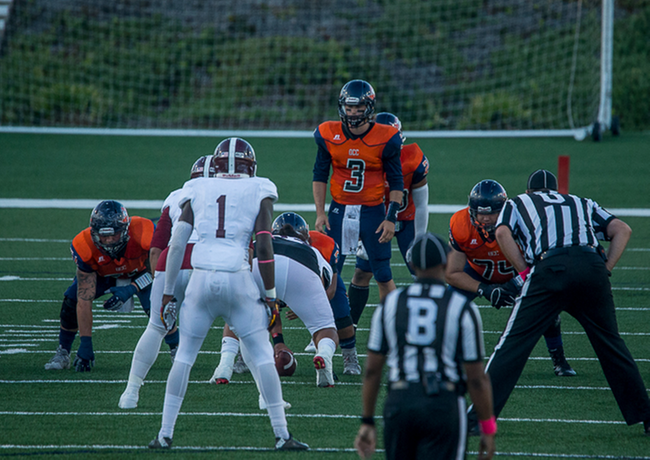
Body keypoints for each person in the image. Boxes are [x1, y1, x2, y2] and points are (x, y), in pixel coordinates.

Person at [148, 137, 308, 450]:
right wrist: (271, 295)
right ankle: (282, 435)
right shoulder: (260, 187)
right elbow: (264, 244)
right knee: (261, 354)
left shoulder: (196, 187)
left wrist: (168, 291)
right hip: (237, 277)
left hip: (201, 279)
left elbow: (178, 242)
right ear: (252, 165)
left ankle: (165, 434)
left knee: (185, 356)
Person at [470, 169, 650, 436]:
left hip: (550, 268)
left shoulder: (518, 202)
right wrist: (606, 268)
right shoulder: (580, 202)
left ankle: (477, 420)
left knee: (512, 344)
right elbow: (622, 229)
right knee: (612, 344)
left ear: (530, 191)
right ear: (557, 191)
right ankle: (646, 416)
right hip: (591, 268)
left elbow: (503, 234)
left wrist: (524, 272)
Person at [355, 233, 496, 460]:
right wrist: (488, 427)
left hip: (400, 402)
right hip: (443, 403)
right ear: (445, 262)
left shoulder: (391, 303)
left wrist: (367, 420)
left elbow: (372, 369)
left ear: (412, 264)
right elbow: (477, 378)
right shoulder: (461, 307)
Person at [446, 179, 575, 377]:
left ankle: (559, 359)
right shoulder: (460, 223)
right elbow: (452, 273)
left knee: (548, 309)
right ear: (472, 211)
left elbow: (538, 265)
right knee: (445, 305)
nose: (486, 219)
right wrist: (485, 289)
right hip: (478, 272)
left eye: (492, 213)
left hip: (519, 273)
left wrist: (516, 284)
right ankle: (442, 359)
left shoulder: (523, 221)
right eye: (481, 213)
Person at [118, 155, 214, 409]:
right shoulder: (227, 193)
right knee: (247, 325)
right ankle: (265, 396)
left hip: (169, 261)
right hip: (208, 263)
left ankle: (131, 392)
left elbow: (156, 248)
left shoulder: (176, 196)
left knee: (156, 328)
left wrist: (162, 282)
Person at [211, 211, 339, 389]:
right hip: (300, 266)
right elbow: (327, 286)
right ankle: (324, 355)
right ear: (305, 236)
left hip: (258, 262)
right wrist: (301, 303)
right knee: (325, 327)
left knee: (237, 317)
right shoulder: (313, 250)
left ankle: (225, 364)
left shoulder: (259, 241)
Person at [312, 79, 403, 305]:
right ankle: (324, 333)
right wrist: (320, 212)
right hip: (339, 209)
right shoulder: (328, 134)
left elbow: (396, 180)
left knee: (382, 272)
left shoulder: (386, 137)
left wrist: (391, 217)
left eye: (359, 109)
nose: (353, 114)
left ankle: (391, 326)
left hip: (372, 211)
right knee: (330, 272)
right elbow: (319, 175)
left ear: (369, 108)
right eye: (349, 108)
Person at [44, 200, 154, 372]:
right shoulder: (85, 244)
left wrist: (131, 289)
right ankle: (63, 352)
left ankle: (175, 347)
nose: (109, 240)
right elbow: (84, 299)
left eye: (114, 234)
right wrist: (85, 342)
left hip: (139, 271)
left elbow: (158, 272)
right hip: (102, 274)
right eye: (104, 235)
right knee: (71, 301)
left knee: (159, 305)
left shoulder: (142, 232)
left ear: (125, 230)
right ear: (94, 233)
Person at [348, 112, 430, 327]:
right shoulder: (362, 162)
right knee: (361, 273)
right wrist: (360, 236)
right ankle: (348, 327)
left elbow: (421, 204)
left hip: (407, 220)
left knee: (422, 274)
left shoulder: (413, 160)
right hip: (376, 223)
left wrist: (419, 239)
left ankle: (428, 326)